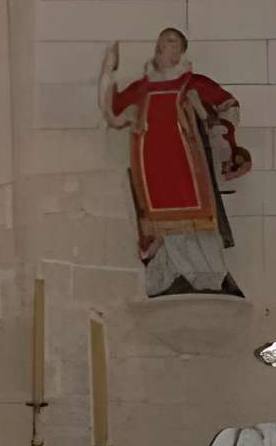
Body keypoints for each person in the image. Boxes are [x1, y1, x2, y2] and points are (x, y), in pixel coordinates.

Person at [99, 26, 251, 298]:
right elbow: (113, 113)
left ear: (180, 51)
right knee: (163, 227)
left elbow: (228, 107)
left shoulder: (191, 83)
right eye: (160, 40)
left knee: (196, 225)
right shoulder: (142, 88)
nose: (162, 45)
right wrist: (108, 72)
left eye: (170, 41)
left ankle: (209, 279)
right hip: (153, 172)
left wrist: (223, 143)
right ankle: (170, 279)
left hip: (187, 171)